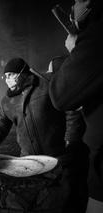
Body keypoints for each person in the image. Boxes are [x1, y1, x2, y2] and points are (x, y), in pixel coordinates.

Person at [0, 57, 89, 212]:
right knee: (35, 204)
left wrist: (71, 139)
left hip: (59, 158)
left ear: (22, 73)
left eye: (10, 75)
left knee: (63, 204)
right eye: (5, 76)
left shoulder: (47, 84)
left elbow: (71, 109)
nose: (7, 80)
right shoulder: (8, 101)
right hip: (29, 163)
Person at [49, 0, 103, 212]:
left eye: (78, 0)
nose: (74, 6)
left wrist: (76, 49)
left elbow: (61, 96)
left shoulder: (97, 36)